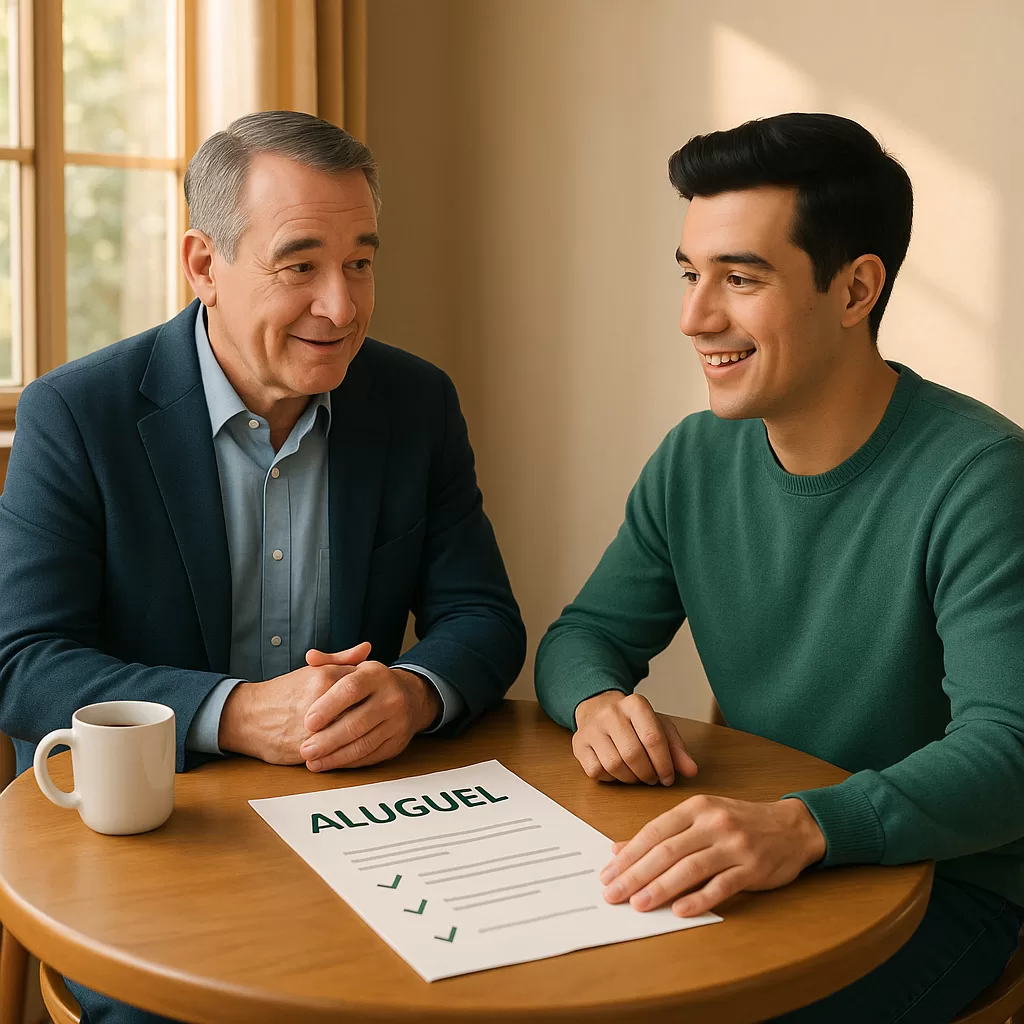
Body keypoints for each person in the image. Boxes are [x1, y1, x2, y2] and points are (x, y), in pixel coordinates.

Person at [0, 110, 525, 1023]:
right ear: (204, 265)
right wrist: (239, 714)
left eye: (361, 262)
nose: (343, 305)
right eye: (300, 265)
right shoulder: (75, 414)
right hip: (155, 839)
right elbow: (24, 661)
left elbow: (482, 618)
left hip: (364, 826)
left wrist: (411, 692)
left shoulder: (414, 402)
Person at [534, 112, 1024, 1022]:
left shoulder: (983, 476)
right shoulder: (693, 461)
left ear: (855, 289)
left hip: (949, 886)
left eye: (740, 278)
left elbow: (1012, 751)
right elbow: (584, 636)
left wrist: (804, 824)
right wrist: (598, 703)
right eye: (689, 274)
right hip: (766, 856)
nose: (695, 317)